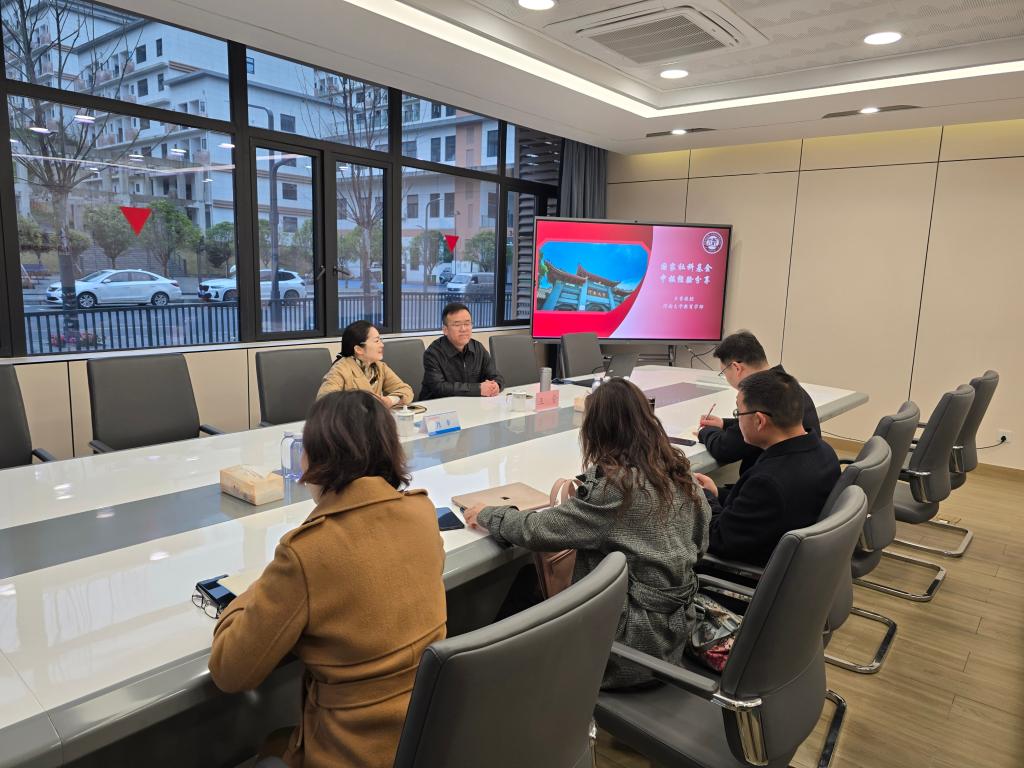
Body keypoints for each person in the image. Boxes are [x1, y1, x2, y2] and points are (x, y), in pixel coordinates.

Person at [208, 391, 446, 768]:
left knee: (267, 749)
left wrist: (254, 590)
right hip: (424, 739)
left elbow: (229, 670)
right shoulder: (421, 511)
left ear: (318, 458)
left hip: (347, 753)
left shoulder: (307, 552)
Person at [463, 378, 711, 690]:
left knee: (527, 590)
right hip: (675, 635)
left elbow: (535, 530)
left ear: (597, 432)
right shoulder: (680, 474)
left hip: (630, 652)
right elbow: (700, 545)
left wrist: (487, 514)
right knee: (529, 583)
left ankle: (485, 684)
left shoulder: (618, 491)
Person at [695, 369, 840, 567]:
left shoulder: (768, 481)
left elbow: (719, 538)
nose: (737, 420)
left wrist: (702, 498)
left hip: (748, 573)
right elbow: (761, 508)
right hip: (797, 564)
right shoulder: (824, 452)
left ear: (759, 420)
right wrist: (716, 493)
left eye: (738, 413)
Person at [697, 330, 821, 476]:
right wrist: (724, 424)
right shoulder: (785, 385)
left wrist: (704, 432)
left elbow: (724, 449)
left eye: (724, 372)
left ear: (737, 368)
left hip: (773, 480)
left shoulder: (763, 395)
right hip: (803, 471)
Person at [420, 302, 504, 400]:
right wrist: (478, 389)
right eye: (457, 324)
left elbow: (496, 375)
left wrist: (496, 385)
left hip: (470, 404)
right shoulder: (433, 353)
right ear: (445, 330)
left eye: (467, 323)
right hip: (437, 406)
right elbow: (439, 387)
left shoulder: (478, 348)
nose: (463, 329)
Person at [317, 320, 414, 405]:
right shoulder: (341, 369)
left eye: (380, 340)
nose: (382, 345)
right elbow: (324, 401)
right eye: (376, 341)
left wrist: (390, 400)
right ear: (359, 349)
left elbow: (406, 390)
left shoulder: (379, 367)